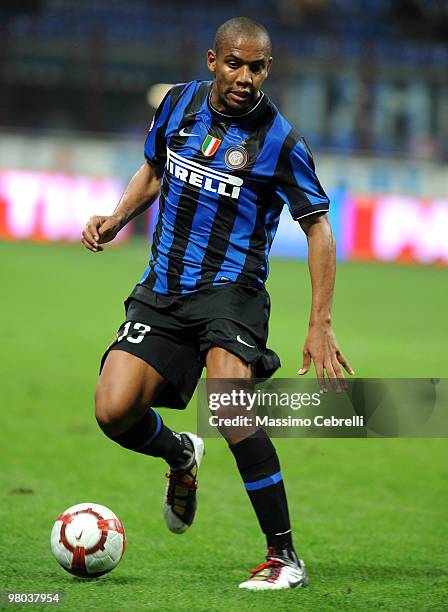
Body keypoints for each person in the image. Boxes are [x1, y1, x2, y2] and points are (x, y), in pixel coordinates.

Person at [81, 16, 354, 590]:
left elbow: (319, 228)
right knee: (112, 411)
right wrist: (116, 216)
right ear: (213, 61)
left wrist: (319, 322)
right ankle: (181, 455)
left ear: (268, 70)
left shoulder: (281, 140)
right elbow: (156, 171)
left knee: (230, 406)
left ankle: (284, 557)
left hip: (233, 293)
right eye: (235, 64)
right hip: (164, 288)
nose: (245, 77)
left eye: (256, 68)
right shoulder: (178, 106)